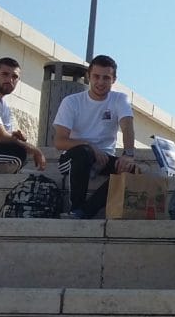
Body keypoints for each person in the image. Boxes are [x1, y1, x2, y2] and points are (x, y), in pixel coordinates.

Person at [53, 55, 136, 219]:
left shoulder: (120, 99)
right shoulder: (71, 102)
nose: (100, 82)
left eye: (106, 78)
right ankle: (75, 207)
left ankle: (85, 211)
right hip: (73, 159)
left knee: (133, 170)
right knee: (84, 152)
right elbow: (59, 141)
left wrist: (128, 155)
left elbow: (127, 126)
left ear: (114, 79)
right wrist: (90, 147)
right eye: (96, 76)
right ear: (88, 76)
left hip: (104, 159)